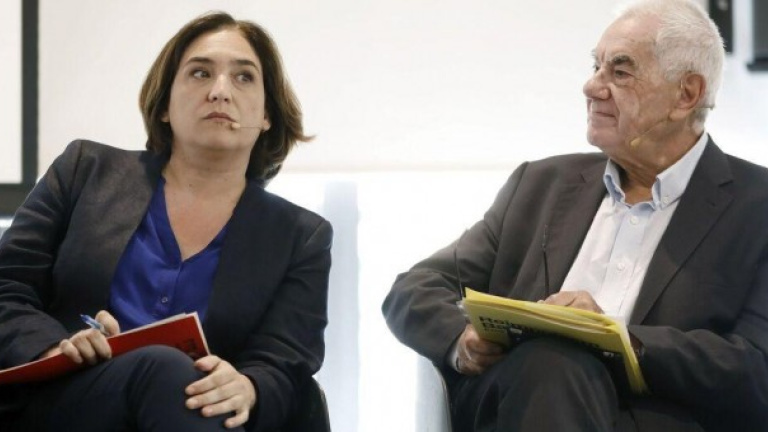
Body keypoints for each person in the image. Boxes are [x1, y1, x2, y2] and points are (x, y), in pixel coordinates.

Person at [383, 0, 768, 430]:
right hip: (522, 405)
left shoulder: (757, 207)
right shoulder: (539, 186)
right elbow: (414, 288)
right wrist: (460, 337)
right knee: (550, 364)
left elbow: (756, 366)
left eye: (620, 72)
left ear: (687, 94)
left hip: (658, 417)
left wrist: (614, 340)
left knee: (560, 360)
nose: (591, 86)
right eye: (596, 66)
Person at [0, 11, 332, 432]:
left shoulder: (301, 236)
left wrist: (248, 387)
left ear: (267, 113)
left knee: (190, 385)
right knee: (164, 367)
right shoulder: (84, 170)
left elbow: (285, 362)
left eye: (244, 77)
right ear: (164, 106)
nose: (220, 91)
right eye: (200, 73)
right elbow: (7, 288)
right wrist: (54, 348)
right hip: (64, 404)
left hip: (197, 413)